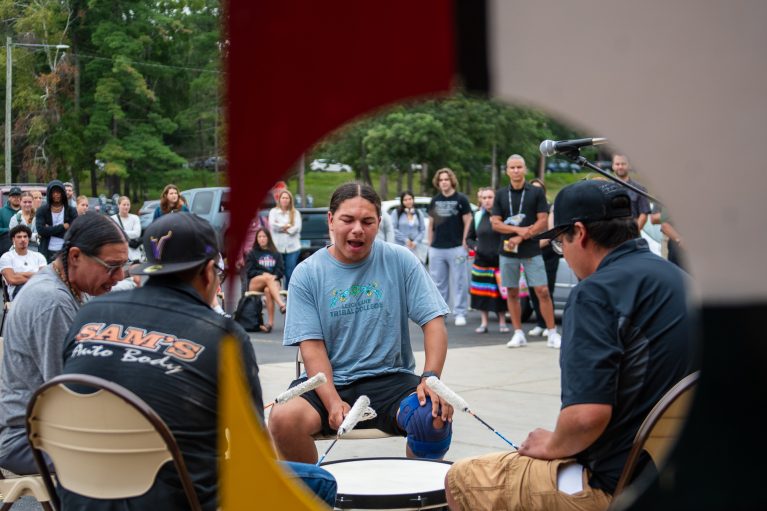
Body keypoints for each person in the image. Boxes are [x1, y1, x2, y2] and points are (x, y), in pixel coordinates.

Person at [445, 179, 694, 511]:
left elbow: (585, 418)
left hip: (618, 484)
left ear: (579, 232)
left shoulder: (596, 294)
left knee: (462, 479)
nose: (563, 251)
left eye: (560, 242)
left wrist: (552, 444)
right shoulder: (679, 279)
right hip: (678, 470)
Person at [59, 213, 337, 509]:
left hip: (82, 494)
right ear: (208, 272)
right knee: (319, 481)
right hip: (178, 500)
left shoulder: (89, 315)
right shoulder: (223, 336)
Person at [268, 182, 454, 465]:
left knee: (433, 417)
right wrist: (331, 401)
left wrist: (431, 377)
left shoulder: (401, 260)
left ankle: (418, 501)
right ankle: (314, 494)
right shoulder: (307, 273)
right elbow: (313, 348)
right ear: (331, 220)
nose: (358, 229)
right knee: (282, 419)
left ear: (379, 222)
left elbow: (434, 322)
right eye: (348, 220)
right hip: (329, 383)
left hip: (391, 380)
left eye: (368, 221)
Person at [0, 213, 128, 475]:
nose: (119, 276)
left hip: (54, 425)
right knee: (141, 457)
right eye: (112, 266)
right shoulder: (53, 301)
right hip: (27, 437)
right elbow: (69, 395)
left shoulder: (73, 286)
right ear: (76, 256)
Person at [491, 155, 560, 349]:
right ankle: (518, 333)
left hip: (530, 248)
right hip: (508, 249)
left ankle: (552, 333)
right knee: (512, 291)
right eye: (512, 167)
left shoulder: (535, 193)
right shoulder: (501, 194)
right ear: (507, 170)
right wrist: (517, 230)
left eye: (519, 167)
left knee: (542, 290)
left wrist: (522, 236)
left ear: (525, 169)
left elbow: (543, 220)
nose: (515, 171)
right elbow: (495, 223)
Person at [427, 168, 472, 326]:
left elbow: (468, 220)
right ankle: (442, 312)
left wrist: (465, 240)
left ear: (451, 181)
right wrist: (429, 245)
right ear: (438, 183)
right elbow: (431, 224)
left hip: (457, 247)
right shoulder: (435, 200)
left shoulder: (461, 199)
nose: (444, 182)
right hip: (437, 248)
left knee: (459, 280)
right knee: (438, 283)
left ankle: (460, 312)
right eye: (441, 180)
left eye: (446, 179)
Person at [466, 188, 509, 334]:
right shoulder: (477, 216)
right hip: (481, 263)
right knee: (481, 294)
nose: (487, 200)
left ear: (495, 199)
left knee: (500, 294)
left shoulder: (502, 216)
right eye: (484, 198)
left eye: (490, 197)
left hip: (499, 262)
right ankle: (484, 323)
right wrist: (475, 246)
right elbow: (469, 238)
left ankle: (502, 322)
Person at [526, 178, 561, 338]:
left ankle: (549, 325)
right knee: (534, 291)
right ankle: (540, 323)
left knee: (547, 290)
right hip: (531, 255)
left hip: (547, 254)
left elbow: (551, 233)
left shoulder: (548, 209)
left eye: (539, 189)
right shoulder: (527, 210)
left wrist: (533, 246)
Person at [246, 227, 287, 333]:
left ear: (268, 238)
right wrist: (262, 274)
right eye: (259, 236)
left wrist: (274, 276)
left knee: (268, 290)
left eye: (264, 236)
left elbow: (280, 271)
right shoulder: (252, 253)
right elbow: (249, 272)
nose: (262, 239)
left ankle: (270, 324)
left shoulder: (276, 253)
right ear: (256, 239)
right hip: (256, 282)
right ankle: (282, 305)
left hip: (272, 282)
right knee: (268, 278)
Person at [35, 179, 79, 263]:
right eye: (53, 192)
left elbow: (75, 230)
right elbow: (41, 230)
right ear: (49, 194)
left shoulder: (71, 210)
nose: (56, 195)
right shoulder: (42, 210)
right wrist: (63, 227)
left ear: (63, 193)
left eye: (58, 192)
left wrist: (49, 229)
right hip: (47, 251)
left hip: (66, 251)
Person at [0, 225, 47, 299]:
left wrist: (18, 274)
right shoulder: (6, 257)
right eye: (19, 237)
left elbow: (44, 277)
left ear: (28, 239)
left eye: (25, 236)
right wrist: (35, 276)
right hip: (18, 291)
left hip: (38, 289)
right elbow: (12, 279)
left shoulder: (39, 256)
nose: (23, 239)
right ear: (13, 239)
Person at [268, 189, 302, 289]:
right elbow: (273, 226)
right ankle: (276, 295)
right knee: (276, 273)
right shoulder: (273, 212)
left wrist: (282, 228)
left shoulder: (295, 213)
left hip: (293, 248)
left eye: (287, 198)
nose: (285, 200)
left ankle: (288, 295)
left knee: (289, 273)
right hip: (277, 248)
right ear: (280, 199)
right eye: (283, 197)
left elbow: (296, 228)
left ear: (290, 200)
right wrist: (287, 226)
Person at [611, 154, 651, 230]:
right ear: (613, 166)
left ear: (629, 166)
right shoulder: (606, 188)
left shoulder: (640, 189)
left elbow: (644, 215)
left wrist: (633, 233)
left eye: (623, 164)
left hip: (632, 233)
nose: (620, 167)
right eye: (617, 164)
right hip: (613, 235)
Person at [390, 190, 427, 264]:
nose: (408, 201)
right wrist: (406, 240)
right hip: (401, 247)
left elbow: (422, 230)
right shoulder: (396, 213)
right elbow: (393, 229)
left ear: (413, 200)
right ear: (402, 201)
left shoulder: (418, 213)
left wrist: (415, 242)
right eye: (405, 200)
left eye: (410, 199)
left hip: (416, 248)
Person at [111, 195, 143, 262]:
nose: (126, 207)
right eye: (124, 205)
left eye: (128, 205)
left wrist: (120, 232)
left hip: (134, 253)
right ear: (118, 205)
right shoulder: (112, 219)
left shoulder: (135, 218)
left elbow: (137, 234)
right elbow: (113, 235)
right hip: (119, 253)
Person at [0, 186, 23, 254]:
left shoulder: (26, 211)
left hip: (24, 247)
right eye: (13, 196)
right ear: (9, 198)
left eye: (18, 196)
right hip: (6, 248)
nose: (16, 198)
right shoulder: (1, 212)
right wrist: (10, 230)